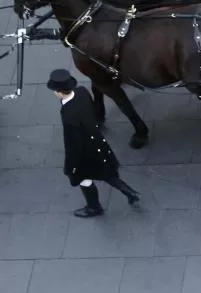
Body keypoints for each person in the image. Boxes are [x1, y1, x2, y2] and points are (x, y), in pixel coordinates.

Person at [47, 69, 139, 217]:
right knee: (107, 174)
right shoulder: (82, 92)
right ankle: (130, 192)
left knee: (83, 179)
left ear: (59, 92)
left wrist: (70, 167)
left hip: (85, 153)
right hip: (97, 142)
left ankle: (94, 207)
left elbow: (73, 144)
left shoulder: (69, 115)